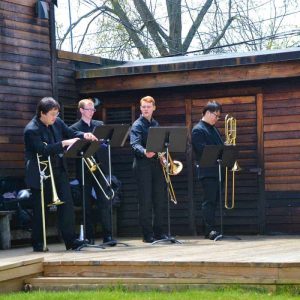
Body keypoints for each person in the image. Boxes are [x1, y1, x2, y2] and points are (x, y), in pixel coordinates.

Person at [24, 97, 97, 252]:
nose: (55, 117)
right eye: (52, 114)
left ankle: (70, 241)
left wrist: (84, 135)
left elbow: (70, 132)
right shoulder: (31, 129)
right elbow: (42, 150)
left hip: (59, 171)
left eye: (56, 114)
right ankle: (38, 242)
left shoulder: (57, 122)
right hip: (41, 174)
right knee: (40, 209)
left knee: (67, 207)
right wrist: (63, 144)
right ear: (42, 113)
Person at [70, 98, 116, 246]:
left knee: (104, 200)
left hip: (99, 167)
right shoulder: (74, 128)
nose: (92, 112)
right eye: (89, 109)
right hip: (84, 169)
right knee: (86, 203)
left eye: (93, 109)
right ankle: (89, 236)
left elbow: (105, 145)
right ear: (82, 110)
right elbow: (72, 143)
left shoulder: (99, 125)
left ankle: (107, 235)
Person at [130, 96, 167, 243]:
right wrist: (145, 151)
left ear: (154, 108)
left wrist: (162, 157)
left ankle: (159, 232)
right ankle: (147, 235)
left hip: (156, 165)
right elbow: (134, 144)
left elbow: (159, 145)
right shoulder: (137, 125)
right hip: (142, 165)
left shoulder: (156, 124)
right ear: (140, 108)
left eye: (148, 107)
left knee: (159, 199)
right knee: (145, 201)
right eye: (143, 107)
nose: (145, 109)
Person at [191, 101, 223, 240]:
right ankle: (208, 230)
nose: (217, 118)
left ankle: (214, 229)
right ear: (208, 113)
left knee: (214, 201)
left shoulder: (213, 128)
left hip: (216, 170)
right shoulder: (198, 129)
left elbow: (218, 146)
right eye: (216, 115)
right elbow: (202, 150)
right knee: (209, 201)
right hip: (207, 171)